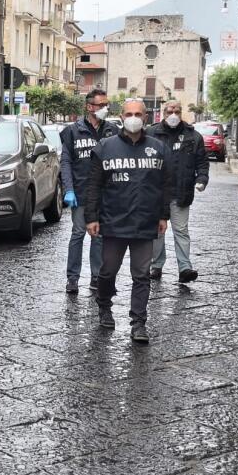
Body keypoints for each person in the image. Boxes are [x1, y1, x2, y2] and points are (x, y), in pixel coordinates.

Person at [84, 98, 171, 343]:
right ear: (121, 116)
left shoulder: (158, 148)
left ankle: (139, 322)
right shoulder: (105, 147)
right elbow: (94, 186)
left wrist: (164, 215)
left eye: (138, 114)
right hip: (113, 222)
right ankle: (104, 306)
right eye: (129, 113)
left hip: (145, 222)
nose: (133, 117)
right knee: (108, 270)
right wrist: (92, 217)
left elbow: (165, 185)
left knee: (142, 274)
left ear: (146, 118)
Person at [59, 89, 117, 294]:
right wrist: (68, 189)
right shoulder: (72, 131)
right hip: (81, 193)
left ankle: (96, 276)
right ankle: (72, 278)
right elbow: (65, 162)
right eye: (101, 105)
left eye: (106, 105)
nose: (105, 109)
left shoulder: (112, 131)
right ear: (89, 107)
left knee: (99, 236)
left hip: (104, 195)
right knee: (77, 234)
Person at [148, 100, 209, 283]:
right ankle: (156, 266)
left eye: (176, 111)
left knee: (181, 230)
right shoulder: (151, 133)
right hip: (156, 193)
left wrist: (202, 179)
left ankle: (185, 268)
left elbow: (202, 163)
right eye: (169, 111)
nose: (173, 114)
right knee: (157, 231)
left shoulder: (193, 136)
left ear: (181, 112)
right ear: (163, 113)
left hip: (180, 192)